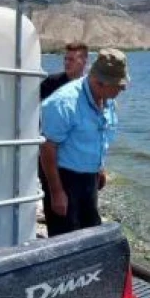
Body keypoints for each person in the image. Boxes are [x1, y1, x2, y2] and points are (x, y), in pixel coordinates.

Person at [39, 48, 129, 236]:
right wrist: (56, 192)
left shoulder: (107, 98)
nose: (123, 89)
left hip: (89, 177)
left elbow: (100, 133)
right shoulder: (64, 103)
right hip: (64, 178)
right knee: (65, 238)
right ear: (99, 82)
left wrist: (100, 167)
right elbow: (47, 148)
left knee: (90, 232)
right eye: (119, 85)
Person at [39, 42, 89, 222]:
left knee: (81, 212)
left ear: (84, 61)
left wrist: (100, 166)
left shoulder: (89, 88)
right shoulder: (51, 84)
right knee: (56, 209)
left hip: (79, 161)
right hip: (51, 155)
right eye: (65, 59)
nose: (67, 63)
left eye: (72, 59)